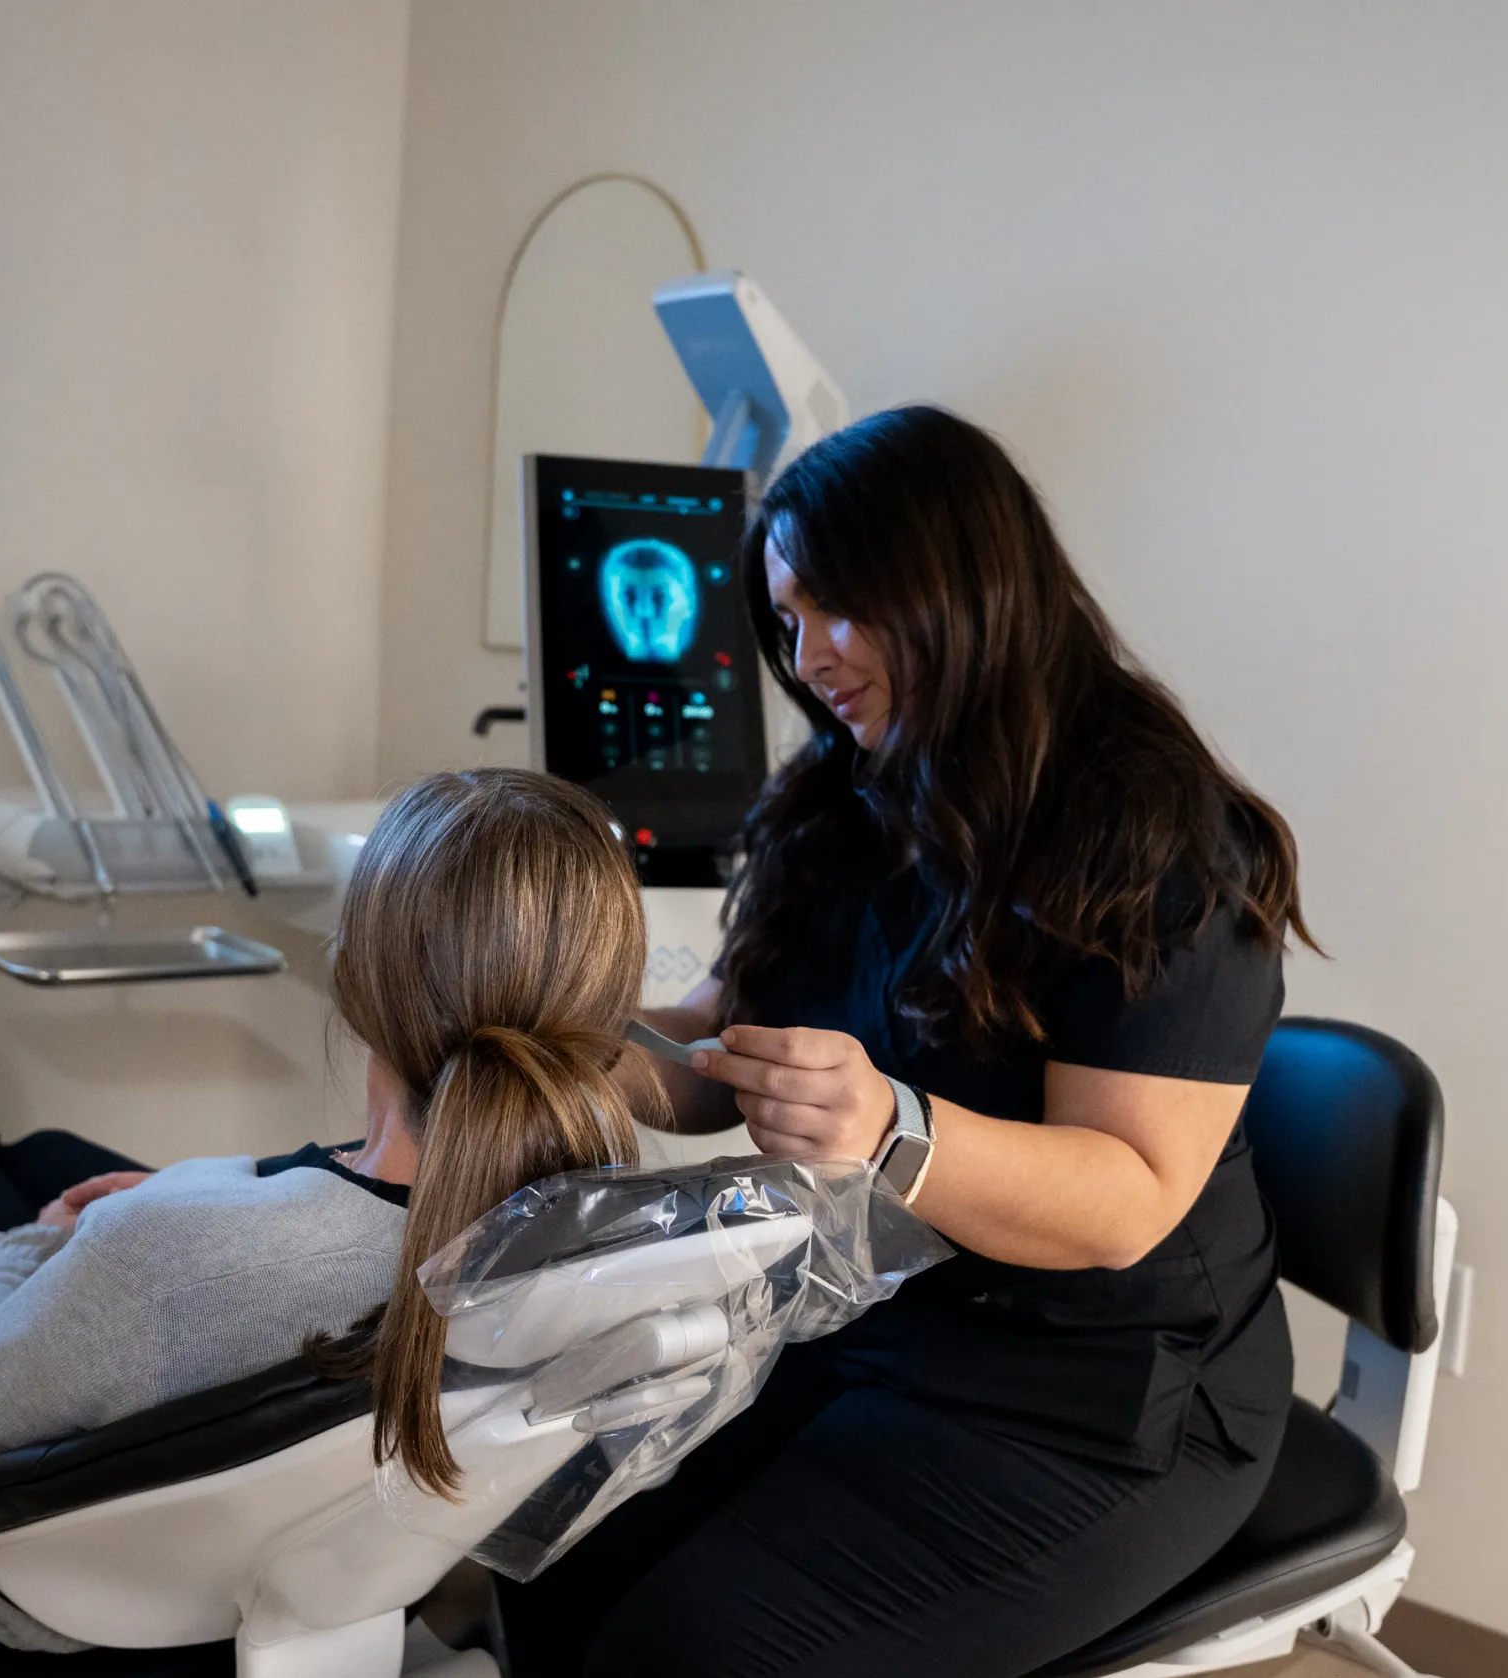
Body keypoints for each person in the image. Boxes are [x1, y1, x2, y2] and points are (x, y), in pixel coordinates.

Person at [496, 405, 1317, 1678]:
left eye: (837, 608)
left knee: (695, 1650)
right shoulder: (843, 798)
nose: (807, 652)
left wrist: (894, 1129)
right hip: (883, 1328)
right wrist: (545, 1038)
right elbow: (720, 1045)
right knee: (555, 1559)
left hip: (1112, 1396)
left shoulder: (1156, 836)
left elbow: (1126, 1197)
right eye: (786, 617)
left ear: (957, 583)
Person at [0, 767, 658, 1661]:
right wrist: (200, 1198)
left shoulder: (155, 1261)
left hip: (26, 1590)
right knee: (46, 1149)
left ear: (356, 978)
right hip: (296, 1574)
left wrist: (36, 1245)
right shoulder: (593, 1249)